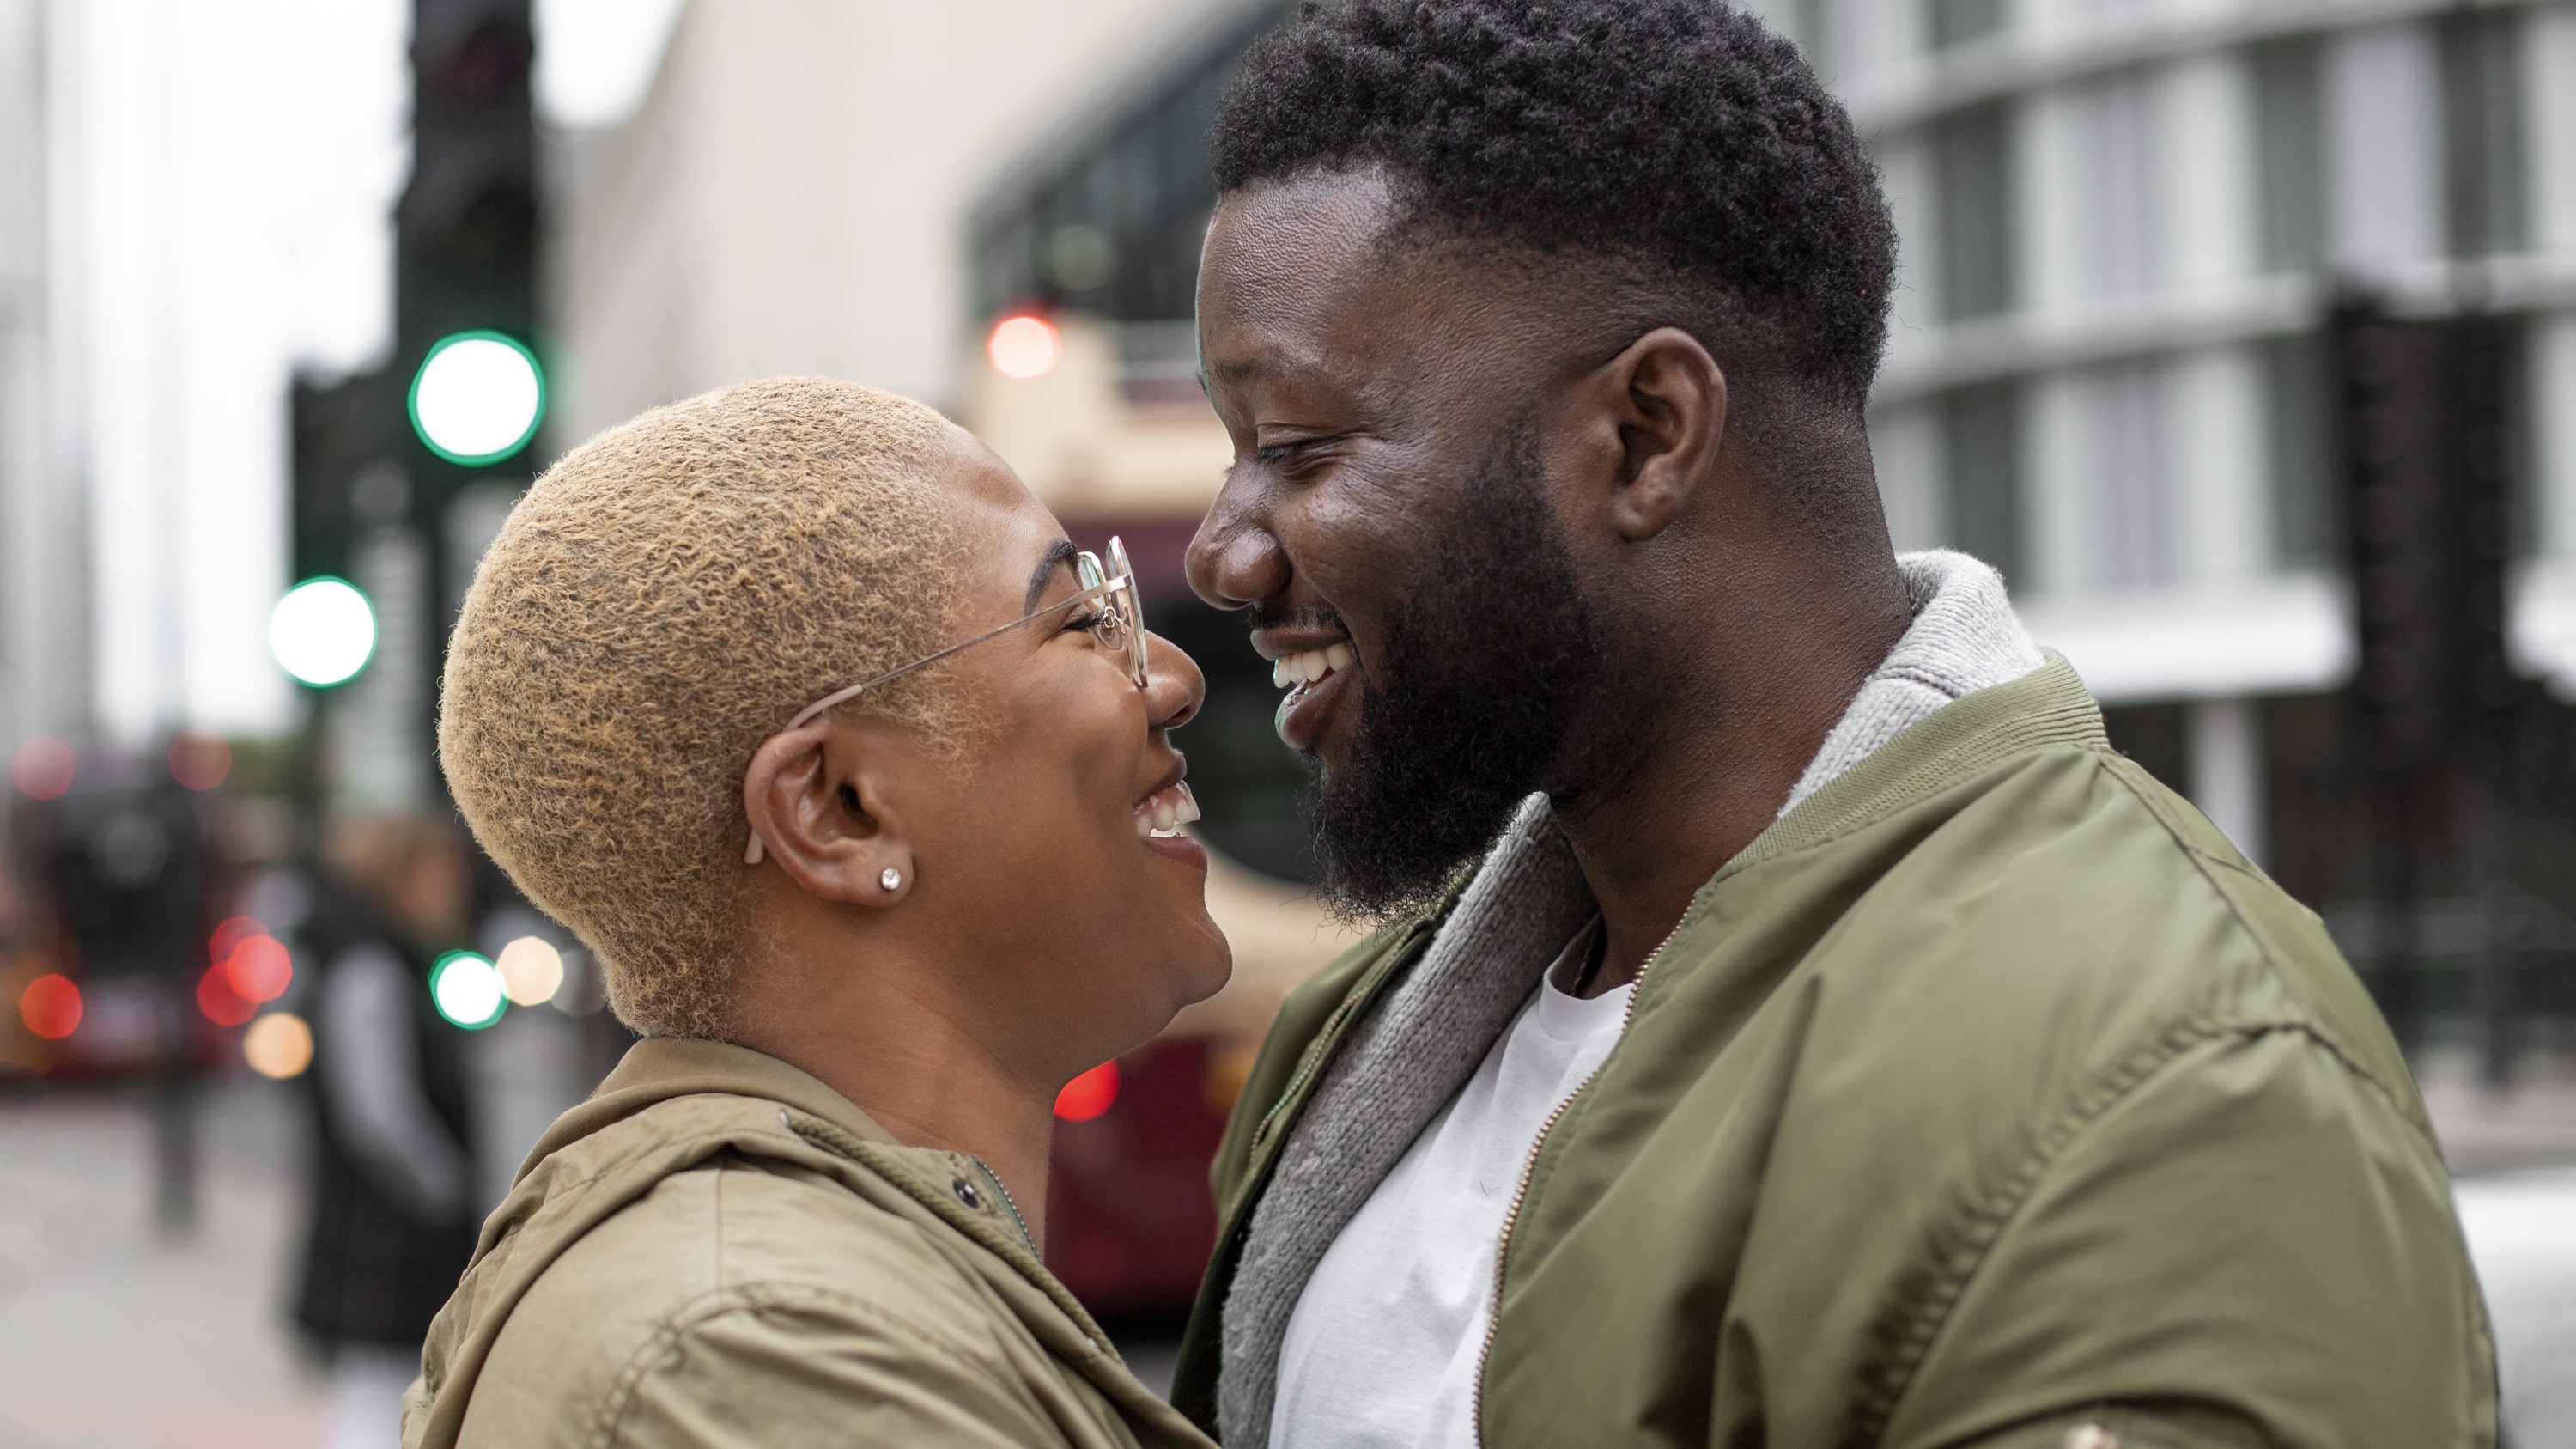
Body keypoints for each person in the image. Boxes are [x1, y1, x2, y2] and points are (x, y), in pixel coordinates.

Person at [1170, 4, 2497, 1448]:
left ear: (1646, 435)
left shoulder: (2168, 1084)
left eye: (1295, 449)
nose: (1223, 558)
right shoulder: (1361, 1050)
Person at [407, 377, 1228, 1449]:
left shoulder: (767, 1300)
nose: (1169, 675)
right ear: (839, 813)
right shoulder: (757, 1351)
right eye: (1081, 620)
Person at [294, 815, 482, 1449]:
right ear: (400, 875)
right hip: (383, 1243)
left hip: (383, 1235)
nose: (454, 887)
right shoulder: (371, 965)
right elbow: (377, 1112)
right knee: (376, 1403)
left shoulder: (382, 956)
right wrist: (448, 1190)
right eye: (440, 872)